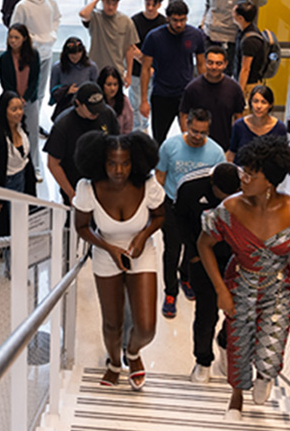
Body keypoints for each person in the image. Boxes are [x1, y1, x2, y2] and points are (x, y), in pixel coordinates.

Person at [198, 136, 290, 418]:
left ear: (269, 182)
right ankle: (236, 397)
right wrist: (221, 291)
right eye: (243, 171)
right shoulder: (230, 209)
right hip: (241, 283)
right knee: (239, 342)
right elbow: (204, 244)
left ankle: (265, 376)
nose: (243, 178)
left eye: (250, 174)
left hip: (279, 288)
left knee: (271, 347)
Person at [72, 130, 165, 391]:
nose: (119, 169)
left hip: (141, 250)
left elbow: (159, 217)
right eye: (112, 163)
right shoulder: (88, 187)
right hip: (105, 253)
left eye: (125, 163)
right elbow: (81, 227)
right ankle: (114, 363)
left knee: (146, 327)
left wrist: (142, 237)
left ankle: (133, 353)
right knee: (112, 322)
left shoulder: (147, 185)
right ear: (101, 163)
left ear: (135, 162)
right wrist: (108, 248)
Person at [156, 108, 226, 319]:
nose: (197, 136)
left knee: (193, 247)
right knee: (172, 249)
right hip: (172, 205)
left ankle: (185, 277)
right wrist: (157, 206)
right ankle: (170, 292)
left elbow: (219, 185)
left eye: (202, 133)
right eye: (193, 131)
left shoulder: (216, 153)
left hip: (200, 210)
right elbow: (160, 176)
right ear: (186, 125)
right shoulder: (170, 146)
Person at [175, 162, 241, 382]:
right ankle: (203, 361)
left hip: (237, 259)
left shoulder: (249, 187)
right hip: (202, 257)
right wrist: (192, 252)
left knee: (237, 313)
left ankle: (224, 341)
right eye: (222, 196)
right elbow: (180, 219)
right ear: (212, 184)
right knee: (206, 314)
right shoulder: (190, 186)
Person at [139, 0, 206, 144]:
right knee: (158, 140)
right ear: (167, 18)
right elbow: (145, 69)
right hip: (162, 95)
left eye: (182, 20)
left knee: (192, 137)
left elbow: (201, 64)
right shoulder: (154, 37)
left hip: (187, 94)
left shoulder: (195, 35)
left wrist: (204, 91)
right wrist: (143, 100)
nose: (179, 24)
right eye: (175, 20)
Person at [44, 82, 118, 202]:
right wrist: (71, 194)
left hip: (103, 183)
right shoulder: (63, 125)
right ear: (78, 103)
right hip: (75, 185)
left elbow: (116, 145)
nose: (96, 113)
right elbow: (53, 164)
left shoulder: (107, 113)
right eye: (92, 110)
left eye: (99, 108)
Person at [0, 91, 37, 242]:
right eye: (14, 109)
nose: (19, 113)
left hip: (22, 179)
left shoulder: (21, 127)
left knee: (20, 219)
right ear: (3, 111)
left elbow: (27, 160)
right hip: (5, 184)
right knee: (5, 225)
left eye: (20, 108)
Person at [11, 0, 61, 142]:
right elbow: (16, 29)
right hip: (29, 56)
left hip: (47, 53)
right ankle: (20, 122)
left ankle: (34, 122)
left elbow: (56, 19)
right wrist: (36, 40)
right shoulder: (23, 6)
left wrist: (51, 35)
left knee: (40, 92)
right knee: (26, 91)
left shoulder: (51, 2)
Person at [179, 46, 246, 151]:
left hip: (224, 146)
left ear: (225, 64)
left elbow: (238, 117)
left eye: (218, 63)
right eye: (210, 63)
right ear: (205, 63)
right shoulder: (192, 88)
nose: (214, 67)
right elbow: (183, 115)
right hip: (198, 144)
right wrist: (187, 139)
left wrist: (234, 144)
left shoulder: (234, 88)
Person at [0, 23, 41, 170]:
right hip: (12, 101)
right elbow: (5, 82)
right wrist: (16, 99)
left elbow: (35, 79)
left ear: (24, 38)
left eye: (16, 37)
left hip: (29, 100)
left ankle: (34, 166)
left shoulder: (34, 55)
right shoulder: (4, 58)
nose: (13, 41)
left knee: (32, 133)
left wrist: (25, 98)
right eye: (11, 37)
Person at [79, 0, 138, 84]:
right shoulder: (96, 17)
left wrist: (128, 75)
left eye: (114, 4)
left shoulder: (126, 21)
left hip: (117, 71)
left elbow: (130, 49)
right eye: (107, 3)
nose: (111, 7)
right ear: (102, 1)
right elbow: (83, 14)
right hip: (95, 70)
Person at [202, 0, 250, 72]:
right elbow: (208, 4)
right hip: (210, 33)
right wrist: (203, 23)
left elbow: (260, 1)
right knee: (207, 70)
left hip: (227, 36)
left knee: (224, 71)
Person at [130, 0, 167, 134]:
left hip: (156, 71)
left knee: (150, 102)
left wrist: (153, 66)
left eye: (153, 5)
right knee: (135, 102)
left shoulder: (163, 22)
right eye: (147, 4)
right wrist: (146, 64)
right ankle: (137, 129)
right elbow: (130, 45)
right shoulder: (135, 21)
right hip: (137, 69)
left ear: (159, 5)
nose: (150, 8)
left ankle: (144, 126)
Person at [228, 85, 287, 159]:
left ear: (270, 105)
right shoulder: (239, 126)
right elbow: (231, 153)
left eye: (263, 102)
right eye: (255, 101)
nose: (259, 106)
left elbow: (282, 158)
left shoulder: (280, 128)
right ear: (250, 103)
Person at [48, 36, 99, 121]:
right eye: (72, 54)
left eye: (78, 53)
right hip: (64, 106)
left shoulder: (91, 67)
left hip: (85, 107)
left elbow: (96, 89)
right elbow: (53, 91)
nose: (75, 56)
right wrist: (67, 91)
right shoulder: (57, 68)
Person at [233, 1, 266, 99]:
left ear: (240, 18)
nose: (232, 14)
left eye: (234, 12)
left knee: (244, 112)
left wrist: (240, 91)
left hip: (248, 85)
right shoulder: (245, 31)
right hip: (245, 82)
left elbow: (245, 69)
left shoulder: (250, 41)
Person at [98, 65, 133, 134]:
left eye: (115, 84)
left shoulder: (124, 101)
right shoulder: (97, 101)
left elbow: (128, 127)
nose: (112, 88)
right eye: (109, 84)